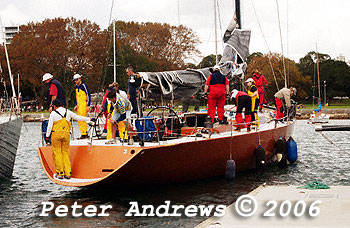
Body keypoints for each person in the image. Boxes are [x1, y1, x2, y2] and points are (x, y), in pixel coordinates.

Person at [45, 99, 93, 180]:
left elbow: (49, 126)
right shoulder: (68, 112)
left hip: (56, 134)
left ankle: (60, 173)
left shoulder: (53, 113)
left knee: (57, 154)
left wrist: (47, 136)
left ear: (54, 106)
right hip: (66, 134)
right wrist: (89, 119)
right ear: (61, 105)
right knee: (65, 154)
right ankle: (68, 173)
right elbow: (77, 117)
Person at [73, 74, 91, 139]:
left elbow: (88, 95)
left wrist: (88, 105)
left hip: (84, 104)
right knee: (79, 119)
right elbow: (76, 97)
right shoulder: (76, 87)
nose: (75, 81)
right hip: (79, 105)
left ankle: (85, 133)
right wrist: (76, 105)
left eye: (76, 79)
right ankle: (82, 133)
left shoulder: (83, 86)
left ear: (80, 79)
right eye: (74, 80)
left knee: (83, 118)